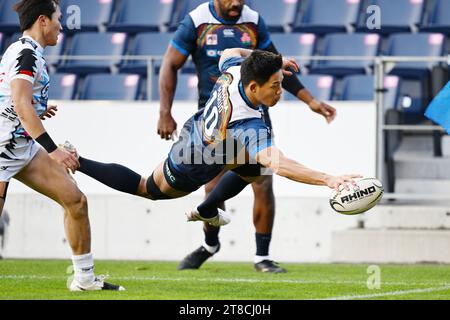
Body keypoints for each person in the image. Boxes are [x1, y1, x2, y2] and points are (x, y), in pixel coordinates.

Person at [67, 49, 359, 263]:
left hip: (202, 132)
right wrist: (329, 179)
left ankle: (207, 209)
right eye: (276, 85)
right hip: (192, 162)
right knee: (148, 189)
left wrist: (277, 61)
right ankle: (79, 161)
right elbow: (280, 163)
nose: (281, 92)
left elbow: (231, 51)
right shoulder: (249, 123)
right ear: (254, 87)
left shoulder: (235, 69)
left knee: (256, 168)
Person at [158, 0, 337, 273]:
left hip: (252, 114)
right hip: (214, 114)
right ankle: (210, 244)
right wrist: (164, 112)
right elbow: (170, 64)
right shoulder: (197, 21)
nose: (236, 3)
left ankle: (262, 257)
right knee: (212, 183)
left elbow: (273, 67)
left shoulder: (252, 21)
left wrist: (310, 100)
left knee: (263, 179)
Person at [0, 0, 123, 291]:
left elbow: (14, 102)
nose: (61, 24)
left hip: (21, 148)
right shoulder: (27, 54)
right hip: (3, 149)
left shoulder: (28, 52)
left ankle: (84, 280)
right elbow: (19, 103)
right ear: (43, 20)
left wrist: (36, 109)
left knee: (76, 200)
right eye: (57, 18)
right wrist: (54, 150)